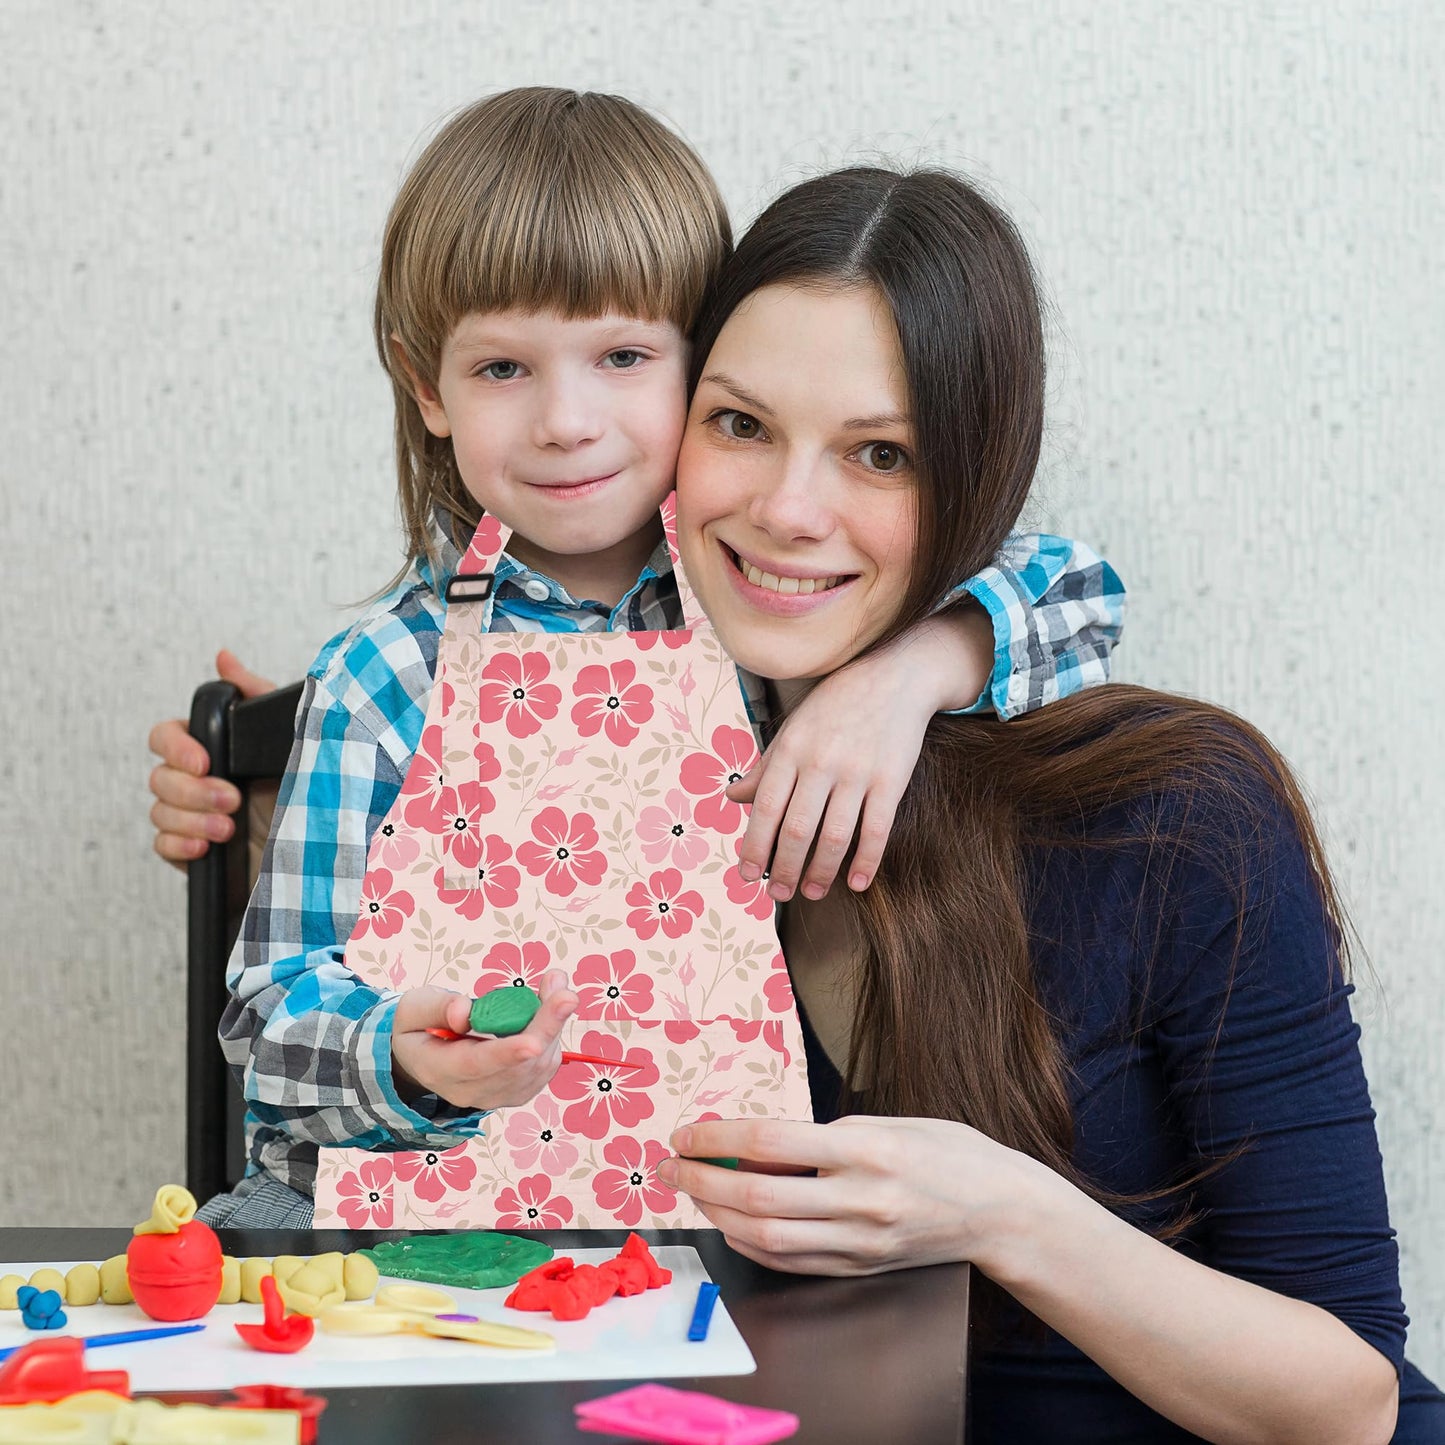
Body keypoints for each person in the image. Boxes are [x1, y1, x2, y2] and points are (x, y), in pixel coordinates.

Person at [176, 88, 1126, 1229]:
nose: (566, 420)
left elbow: (1080, 588)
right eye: (500, 370)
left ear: (700, 363)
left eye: (621, 354)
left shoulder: (758, 610)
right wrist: (407, 1057)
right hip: (396, 1223)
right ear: (425, 384)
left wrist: (909, 671)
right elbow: (268, 1013)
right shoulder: (385, 670)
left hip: (687, 1230)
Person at [654, 166, 1444, 1441]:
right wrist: (231, 781)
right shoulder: (603, 799)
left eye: (879, 452)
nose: (786, 508)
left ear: (975, 478)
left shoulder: (1172, 815)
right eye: (738, 424)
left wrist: (997, 1211)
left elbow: (1348, 1401)